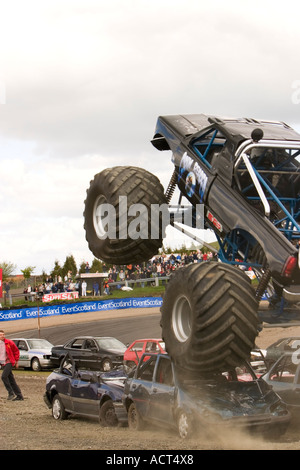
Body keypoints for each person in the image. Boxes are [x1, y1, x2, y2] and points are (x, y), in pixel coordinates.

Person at [0, 330, 23, 401]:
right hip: (3, 362)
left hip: (9, 362)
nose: (2, 336)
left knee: (4, 376)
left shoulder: (9, 342)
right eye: (1, 335)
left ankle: (11, 393)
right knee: (11, 379)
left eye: (3, 334)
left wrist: (16, 361)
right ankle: (19, 396)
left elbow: (16, 351)